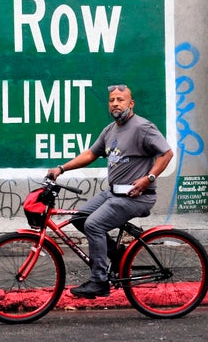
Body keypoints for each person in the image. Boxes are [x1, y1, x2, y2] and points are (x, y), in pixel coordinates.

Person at [46, 84, 173, 299]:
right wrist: (61, 168)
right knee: (80, 218)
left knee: (93, 225)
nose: (115, 103)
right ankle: (118, 255)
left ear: (130, 103)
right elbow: (91, 154)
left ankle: (99, 281)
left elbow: (166, 153)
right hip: (114, 193)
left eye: (120, 100)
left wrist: (148, 178)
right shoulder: (110, 129)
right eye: (112, 100)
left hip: (137, 196)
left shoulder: (143, 127)